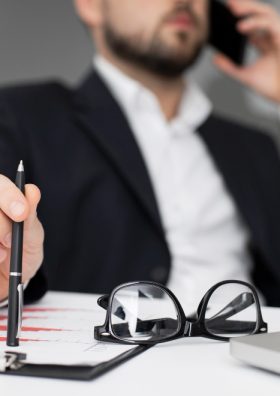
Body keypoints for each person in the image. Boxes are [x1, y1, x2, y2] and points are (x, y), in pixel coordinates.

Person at [0, 0, 280, 306]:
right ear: (92, 6)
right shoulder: (20, 118)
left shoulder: (255, 147)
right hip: (105, 348)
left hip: (252, 344)